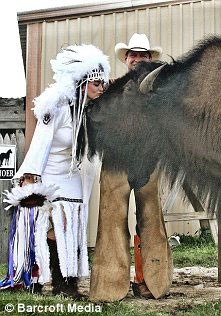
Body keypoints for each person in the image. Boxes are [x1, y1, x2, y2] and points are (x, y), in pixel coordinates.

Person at [0, 44, 110, 298]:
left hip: (73, 176)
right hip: (48, 174)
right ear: (82, 83)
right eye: (96, 82)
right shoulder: (59, 107)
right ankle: (38, 279)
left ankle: (66, 284)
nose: (101, 87)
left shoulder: (91, 111)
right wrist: (31, 177)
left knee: (70, 225)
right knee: (47, 227)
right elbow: (41, 141)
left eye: (102, 82)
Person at [90, 33, 172, 301]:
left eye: (142, 55)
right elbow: (95, 118)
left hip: (147, 160)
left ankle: (151, 281)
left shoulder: (161, 90)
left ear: (149, 58)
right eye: (132, 55)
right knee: (111, 219)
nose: (137, 59)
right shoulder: (109, 87)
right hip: (115, 161)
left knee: (151, 219)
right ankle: (109, 286)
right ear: (126, 59)